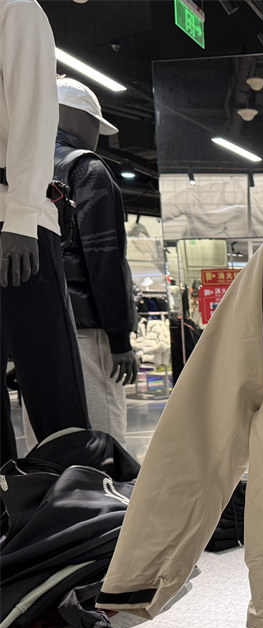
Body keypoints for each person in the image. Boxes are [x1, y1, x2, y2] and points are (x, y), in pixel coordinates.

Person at [0, 0, 90, 464]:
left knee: (50, 382)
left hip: (15, 219)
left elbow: (34, 110)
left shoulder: (15, 7)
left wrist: (21, 214)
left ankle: (81, 492)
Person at [51, 77, 138, 448]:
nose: (96, 137)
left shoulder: (21, 169)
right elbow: (104, 259)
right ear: (75, 118)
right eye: (94, 124)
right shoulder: (86, 169)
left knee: (52, 442)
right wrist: (120, 338)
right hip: (89, 331)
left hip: (41, 329)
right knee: (104, 442)